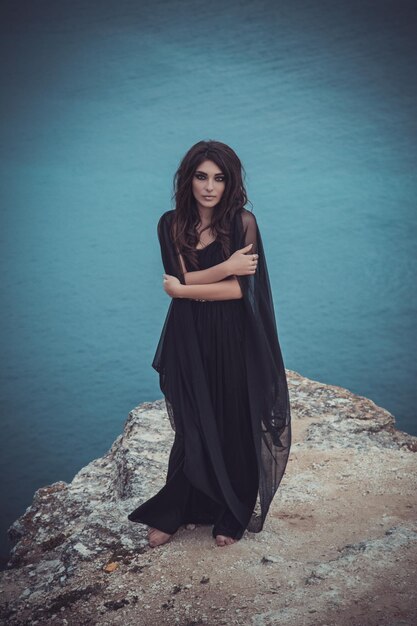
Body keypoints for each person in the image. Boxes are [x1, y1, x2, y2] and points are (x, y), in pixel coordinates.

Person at [128, 140, 291, 548]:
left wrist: (186, 290)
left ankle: (231, 512)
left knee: (234, 419)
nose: (209, 186)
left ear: (230, 182)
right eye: (201, 176)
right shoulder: (170, 223)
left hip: (234, 336)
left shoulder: (243, 224)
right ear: (189, 179)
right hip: (188, 336)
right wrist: (220, 270)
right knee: (191, 421)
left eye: (219, 178)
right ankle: (178, 507)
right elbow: (179, 276)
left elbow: (238, 291)